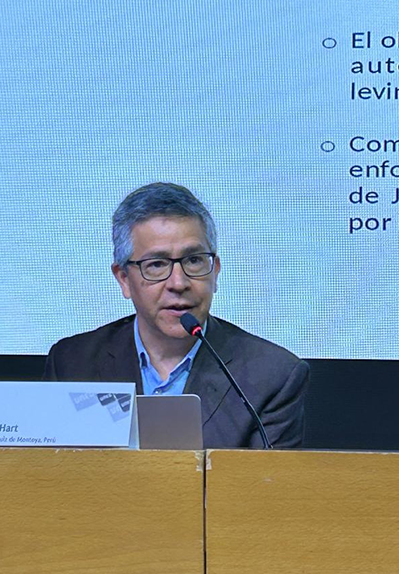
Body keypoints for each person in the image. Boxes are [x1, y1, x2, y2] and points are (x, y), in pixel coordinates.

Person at [44, 182, 307, 448]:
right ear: (123, 279)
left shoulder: (271, 376)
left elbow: (267, 476)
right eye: (157, 264)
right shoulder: (73, 364)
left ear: (215, 271)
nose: (178, 283)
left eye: (194, 260)